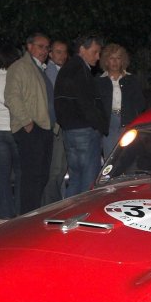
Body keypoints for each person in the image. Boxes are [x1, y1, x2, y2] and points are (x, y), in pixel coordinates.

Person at [4, 32, 54, 213]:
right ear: (29, 46)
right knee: (31, 178)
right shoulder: (20, 67)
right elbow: (11, 96)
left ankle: (33, 214)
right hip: (32, 129)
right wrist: (27, 123)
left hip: (43, 128)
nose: (45, 51)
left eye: (47, 47)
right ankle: (27, 217)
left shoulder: (40, 68)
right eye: (41, 46)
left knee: (41, 176)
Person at [54, 34, 108, 198]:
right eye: (95, 52)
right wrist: (100, 125)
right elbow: (86, 104)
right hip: (84, 130)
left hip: (70, 130)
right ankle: (83, 217)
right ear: (82, 49)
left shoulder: (68, 68)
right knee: (88, 179)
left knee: (76, 177)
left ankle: (69, 212)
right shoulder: (80, 70)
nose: (98, 57)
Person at [0, 47, 22, 218]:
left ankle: (5, 213)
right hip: (13, 129)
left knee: (3, 173)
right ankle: (19, 210)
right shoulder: (14, 77)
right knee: (19, 171)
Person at [97, 43, 146, 159]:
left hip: (127, 121)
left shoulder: (131, 80)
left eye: (118, 58)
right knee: (111, 157)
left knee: (127, 155)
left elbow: (141, 103)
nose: (115, 62)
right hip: (109, 123)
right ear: (106, 61)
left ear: (123, 60)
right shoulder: (99, 81)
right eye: (111, 58)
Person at [41, 39, 69, 205]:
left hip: (60, 127)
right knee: (56, 170)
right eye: (58, 52)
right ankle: (53, 205)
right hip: (56, 128)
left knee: (60, 169)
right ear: (50, 54)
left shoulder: (59, 70)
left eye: (65, 52)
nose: (63, 56)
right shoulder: (51, 72)